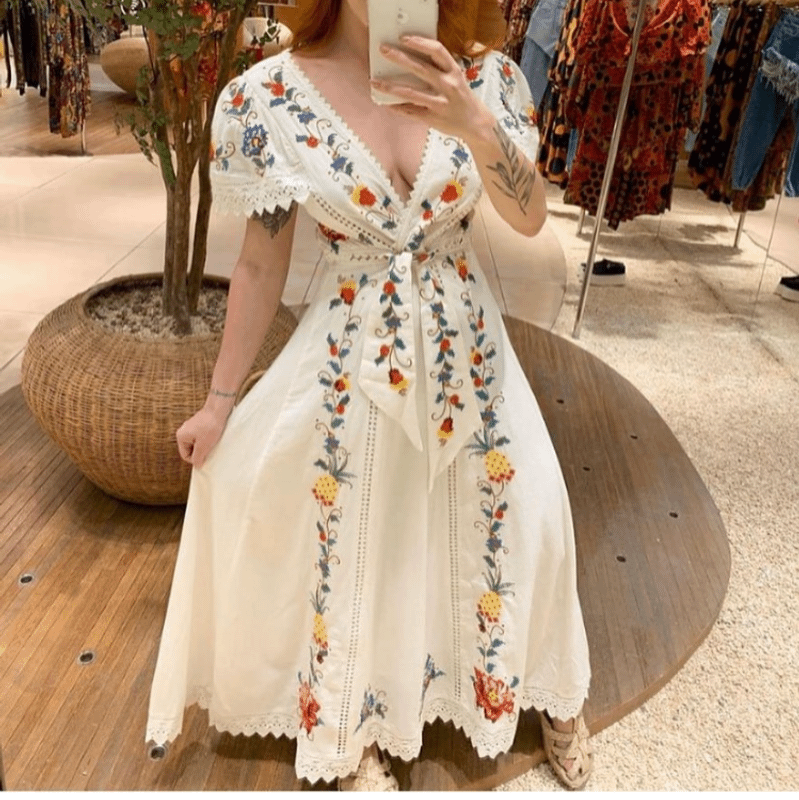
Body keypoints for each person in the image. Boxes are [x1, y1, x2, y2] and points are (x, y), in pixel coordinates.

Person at [145, 0, 593, 790]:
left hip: (466, 344)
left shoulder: (489, 77)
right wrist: (219, 402)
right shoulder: (269, 97)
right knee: (355, 533)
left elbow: (529, 219)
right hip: (350, 348)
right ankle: (357, 713)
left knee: (530, 513)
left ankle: (545, 683)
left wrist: (473, 123)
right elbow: (259, 265)